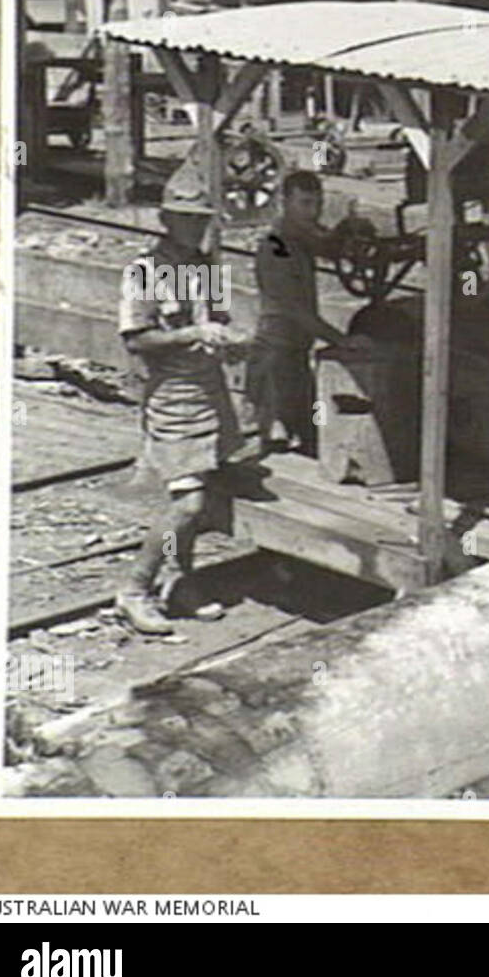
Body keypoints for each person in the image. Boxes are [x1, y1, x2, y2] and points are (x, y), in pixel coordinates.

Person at [115, 196, 249, 636]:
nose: (195, 227)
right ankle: (135, 591)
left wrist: (231, 342)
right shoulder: (146, 271)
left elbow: (220, 318)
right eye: (186, 219)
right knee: (187, 504)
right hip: (173, 396)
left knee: (200, 494)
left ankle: (180, 582)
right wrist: (193, 332)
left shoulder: (208, 266)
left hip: (211, 390)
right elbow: (136, 339)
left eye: (202, 220)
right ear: (165, 219)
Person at [245, 171, 370, 454]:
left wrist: (348, 231)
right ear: (284, 202)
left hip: (296, 356)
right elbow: (295, 311)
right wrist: (342, 340)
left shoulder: (299, 239)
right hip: (274, 360)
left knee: (310, 435)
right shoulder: (276, 248)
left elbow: (327, 244)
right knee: (270, 446)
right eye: (304, 204)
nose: (312, 213)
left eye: (318, 204)